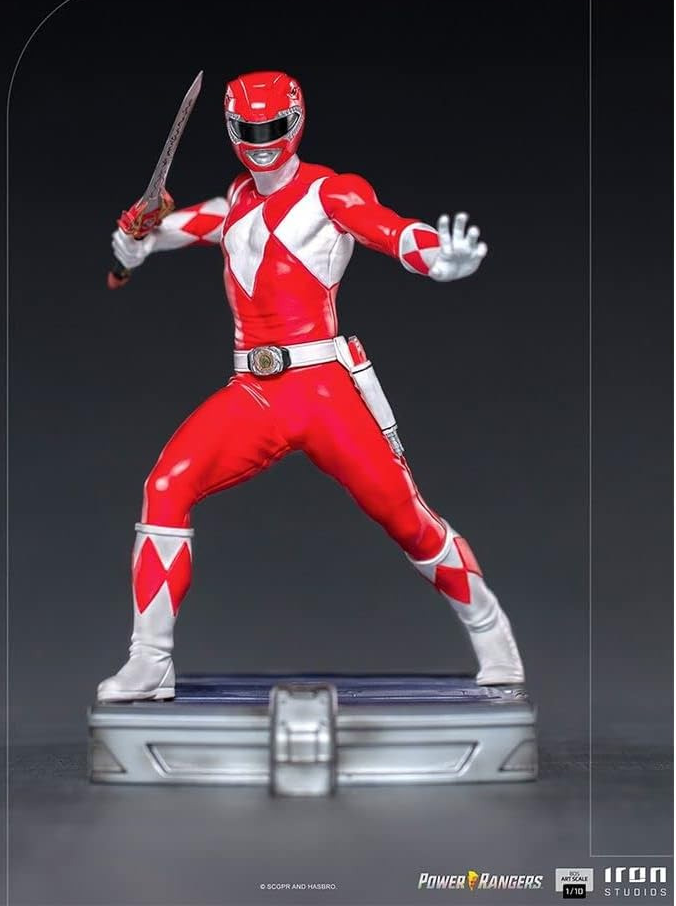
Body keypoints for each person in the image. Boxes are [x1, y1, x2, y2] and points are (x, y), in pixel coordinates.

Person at [98, 70, 524, 701]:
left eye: (273, 128)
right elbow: (181, 228)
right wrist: (137, 241)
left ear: (296, 124)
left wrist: (440, 257)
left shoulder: (331, 193)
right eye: (249, 131)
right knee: (165, 486)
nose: (262, 143)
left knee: (407, 518)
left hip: (323, 389)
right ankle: (150, 660)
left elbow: (391, 229)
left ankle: (493, 635)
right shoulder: (235, 200)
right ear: (231, 130)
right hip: (254, 392)